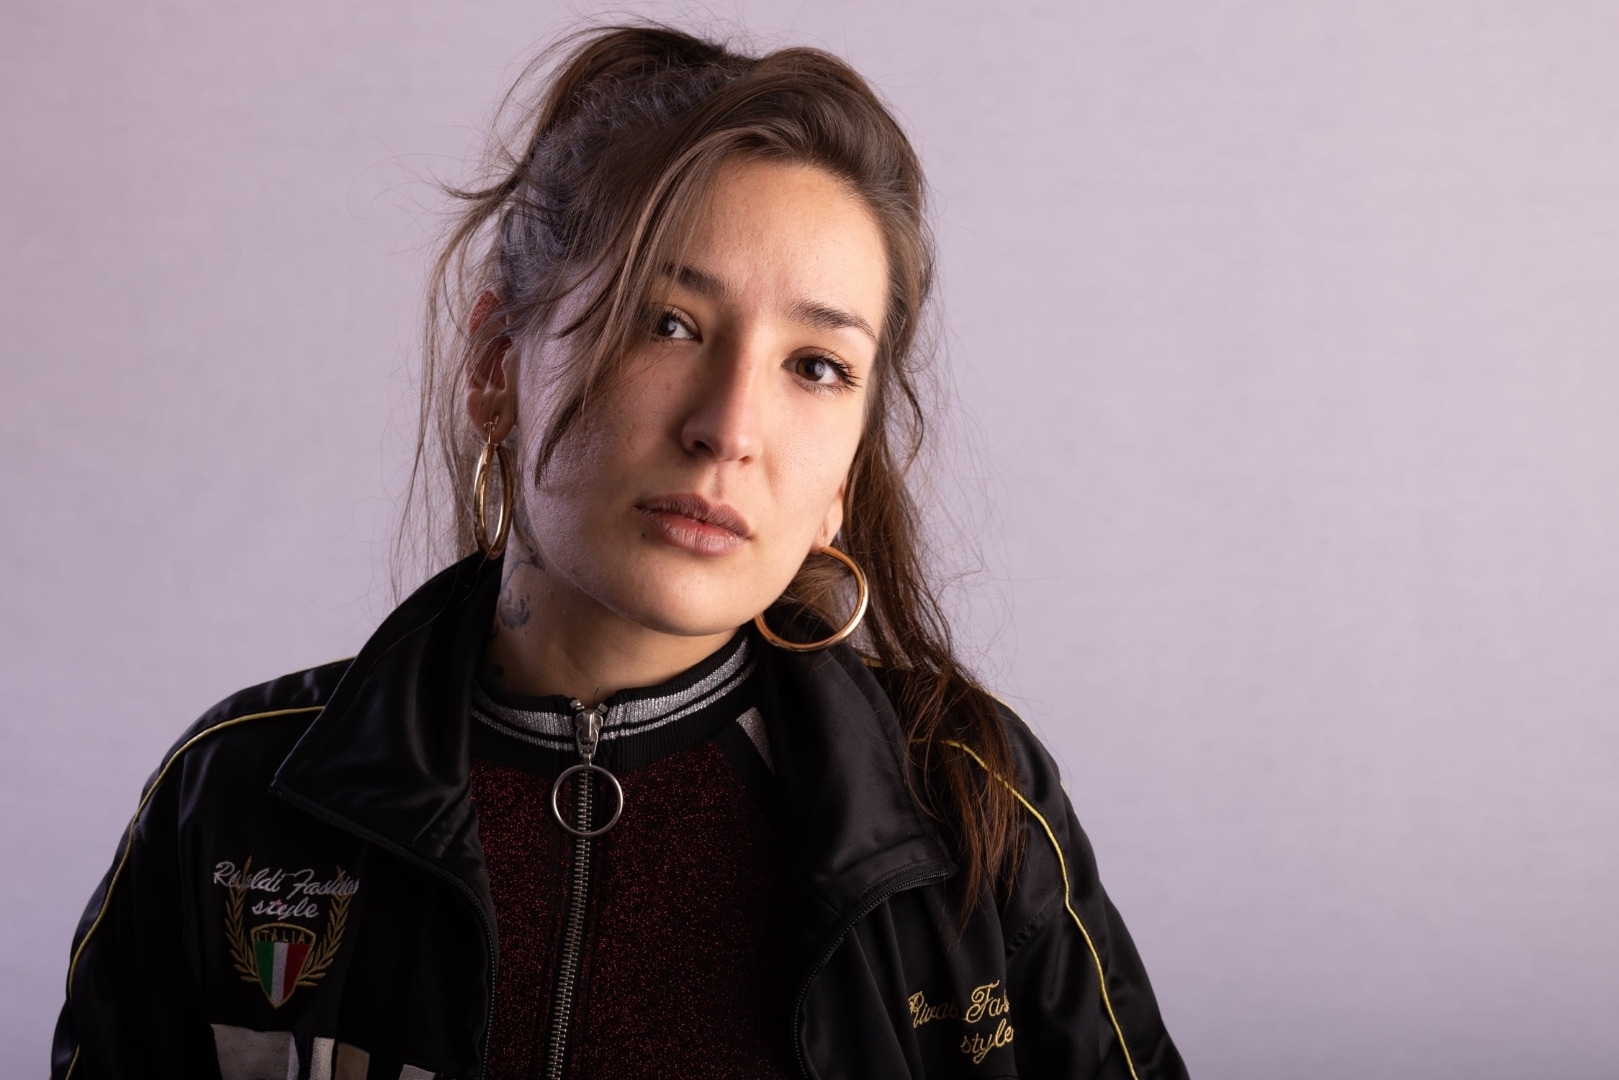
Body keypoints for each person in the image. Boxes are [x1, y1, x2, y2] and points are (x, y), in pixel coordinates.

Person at [52, 24, 1188, 1080]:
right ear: (497, 365)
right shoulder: (236, 802)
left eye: (816, 366)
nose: (729, 429)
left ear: (844, 476)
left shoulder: (971, 800)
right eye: (668, 322)